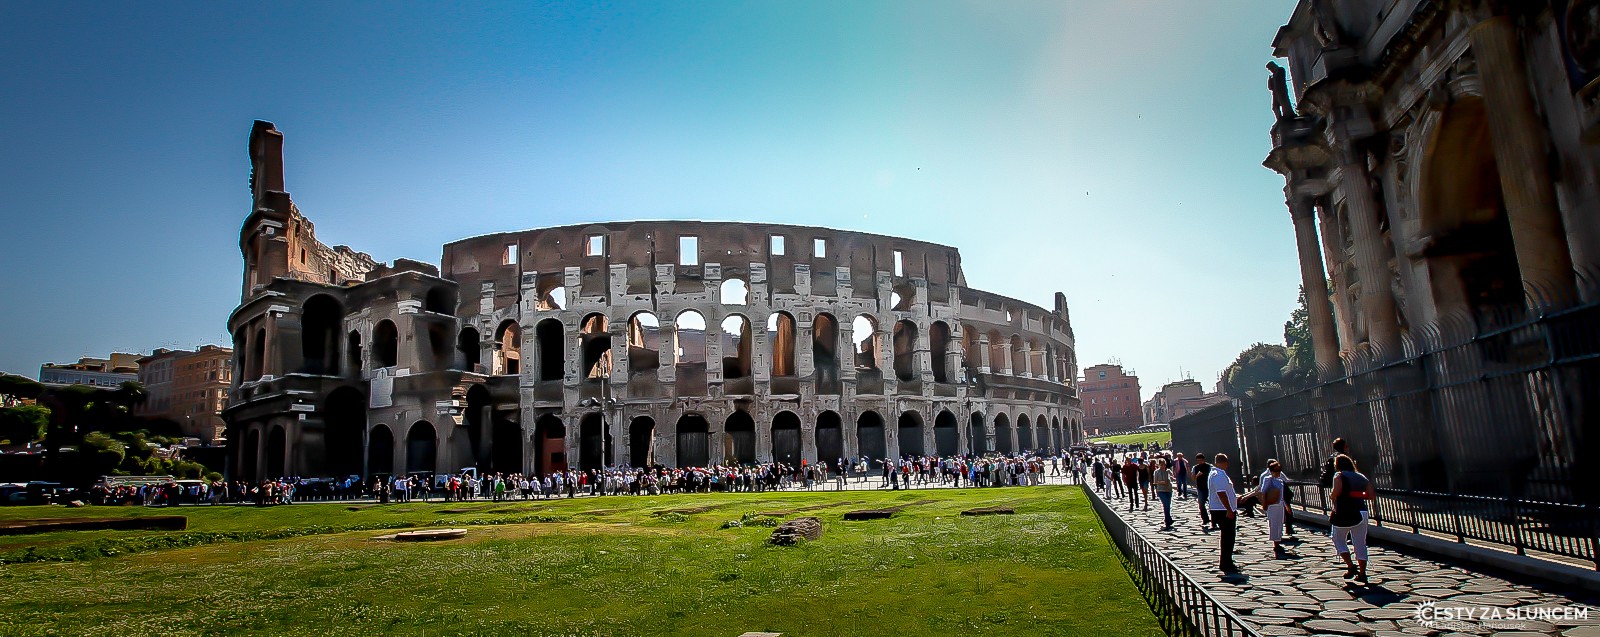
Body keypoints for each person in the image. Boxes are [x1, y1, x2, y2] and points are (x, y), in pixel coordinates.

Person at [1329, 454, 1373, 583]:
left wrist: (1333, 495)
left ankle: (1350, 565)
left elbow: (1336, 493)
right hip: (1361, 512)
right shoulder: (1361, 477)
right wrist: (1356, 495)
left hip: (1344, 512)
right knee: (1360, 543)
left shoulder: (1339, 476)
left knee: (1338, 539)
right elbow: (1371, 495)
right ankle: (1363, 572)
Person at [1209, 454, 1239, 573]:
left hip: (1220, 509)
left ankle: (1227, 560)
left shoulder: (1215, 473)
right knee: (1228, 537)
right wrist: (1229, 509)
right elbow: (1221, 493)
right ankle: (1226, 562)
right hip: (1222, 510)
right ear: (1224, 462)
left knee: (1227, 537)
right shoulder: (1219, 475)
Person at [1260, 460, 1287, 555]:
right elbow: (1264, 492)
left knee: (1280, 522)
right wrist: (1264, 504)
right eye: (1276, 471)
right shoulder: (1268, 479)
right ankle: (1276, 542)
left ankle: (1278, 539)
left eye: (1279, 470)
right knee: (1274, 523)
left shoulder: (1280, 480)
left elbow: (1283, 495)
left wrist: (1286, 506)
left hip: (1279, 504)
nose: (1278, 473)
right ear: (1271, 471)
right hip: (1272, 505)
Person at [1191, 453, 1213, 529]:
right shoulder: (1195, 467)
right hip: (1200, 488)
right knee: (1201, 504)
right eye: (1198, 460)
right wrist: (1197, 475)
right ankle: (1205, 519)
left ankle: (1214, 520)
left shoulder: (1209, 466)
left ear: (1204, 460)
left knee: (1212, 504)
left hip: (1209, 487)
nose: (1200, 462)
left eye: (1201, 460)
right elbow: (1193, 478)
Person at [1152, 458, 1174, 528]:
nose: (1163, 466)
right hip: (1161, 490)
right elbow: (1155, 481)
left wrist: (1172, 478)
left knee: (1168, 505)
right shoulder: (1156, 472)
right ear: (1159, 465)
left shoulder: (1168, 471)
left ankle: (1168, 519)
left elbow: (1172, 477)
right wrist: (1163, 482)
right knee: (1166, 505)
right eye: (1161, 465)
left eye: (1164, 465)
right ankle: (1167, 521)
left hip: (1168, 490)